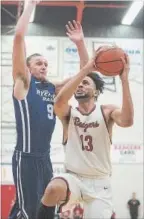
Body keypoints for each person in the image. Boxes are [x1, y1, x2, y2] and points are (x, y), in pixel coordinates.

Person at [9, 0, 88, 218]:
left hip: (45, 158)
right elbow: (18, 39)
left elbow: (84, 72)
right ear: (28, 68)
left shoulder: (53, 89)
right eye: (38, 63)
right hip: (26, 157)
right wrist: (30, 5)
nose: (44, 66)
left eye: (46, 63)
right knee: (29, 212)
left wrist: (80, 44)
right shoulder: (24, 84)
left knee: (46, 209)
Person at [36, 41, 134, 219]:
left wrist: (124, 80)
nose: (80, 85)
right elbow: (58, 102)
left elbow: (127, 121)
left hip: (100, 183)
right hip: (73, 178)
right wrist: (85, 69)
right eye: (78, 84)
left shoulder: (106, 111)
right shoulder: (68, 113)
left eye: (86, 83)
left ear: (96, 92)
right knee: (52, 189)